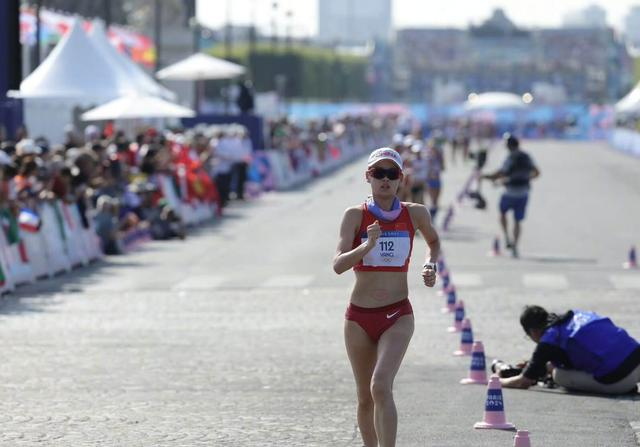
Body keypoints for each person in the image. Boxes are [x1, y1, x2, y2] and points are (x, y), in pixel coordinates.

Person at [333, 147, 441, 447]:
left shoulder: (416, 213)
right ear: (368, 177)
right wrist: (366, 246)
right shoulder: (355, 216)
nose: (385, 179)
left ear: (401, 179)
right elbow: (338, 265)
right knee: (365, 398)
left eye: (391, 173)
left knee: (380, 386)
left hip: (397, 315)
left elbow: (433, 242)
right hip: (359, 318)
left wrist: (430, 264)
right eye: (378, 173)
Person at [500, 305, 640, 395]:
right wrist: (535, 365)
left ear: (533, 332)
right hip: (636, 358)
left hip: (619, 380)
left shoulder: (548, 340)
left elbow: (523, 382)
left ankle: (624, 386)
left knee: (559, 375)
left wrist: (497, 382)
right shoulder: (575, 316)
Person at [481, 134, 539, 258]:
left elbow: (501, 173)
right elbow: (537, 173)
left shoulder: (511, 158)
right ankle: (515, 246)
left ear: (508, 146)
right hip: (523, 193)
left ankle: (507, 236)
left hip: (509, 193)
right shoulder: (527, 156)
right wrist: (526, 179)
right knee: (517, 221)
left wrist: (486, 177)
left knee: (502, 213)